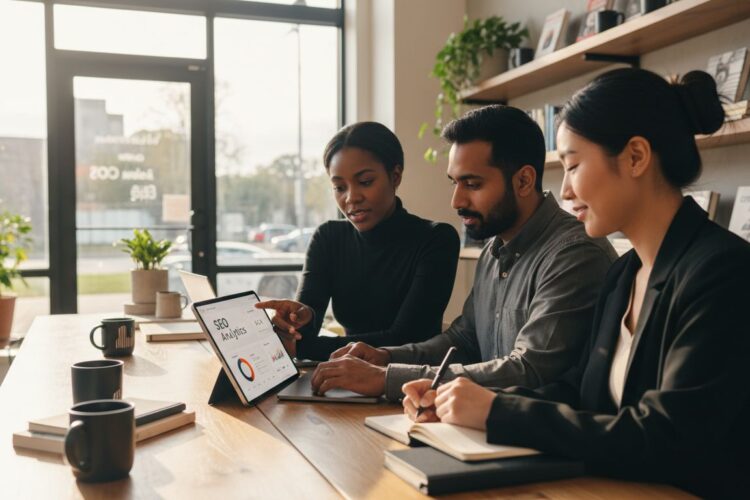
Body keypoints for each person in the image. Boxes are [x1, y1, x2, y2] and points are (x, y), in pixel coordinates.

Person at [401, 68, 750, 498]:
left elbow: (667, 437)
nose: (564, 191)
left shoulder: (723, 272)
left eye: (573, 165)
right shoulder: (625, 273)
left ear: (636, 157)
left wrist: (498, 412)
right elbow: (581, 391)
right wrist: (464, 403)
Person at [308, 105, 617, 399]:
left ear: (523, 180)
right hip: (482, 425)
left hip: (538, 441)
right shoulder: (494, 250)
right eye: (455, 182)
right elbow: (464, 340)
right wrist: (384, 357)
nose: (456, 201)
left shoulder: (573, 253)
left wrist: (385, 379)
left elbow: (530, 370)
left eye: (472, 184)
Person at [256, 122, 460, 361]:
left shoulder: (436, 239)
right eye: (339, 187)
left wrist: (302, 348)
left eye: (365, 182)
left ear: (395, 176)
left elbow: (406, 338)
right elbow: (303, 332)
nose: (351, 198)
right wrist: (298, 320)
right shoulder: (328, 237)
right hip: (344, 376)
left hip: (408, 383)